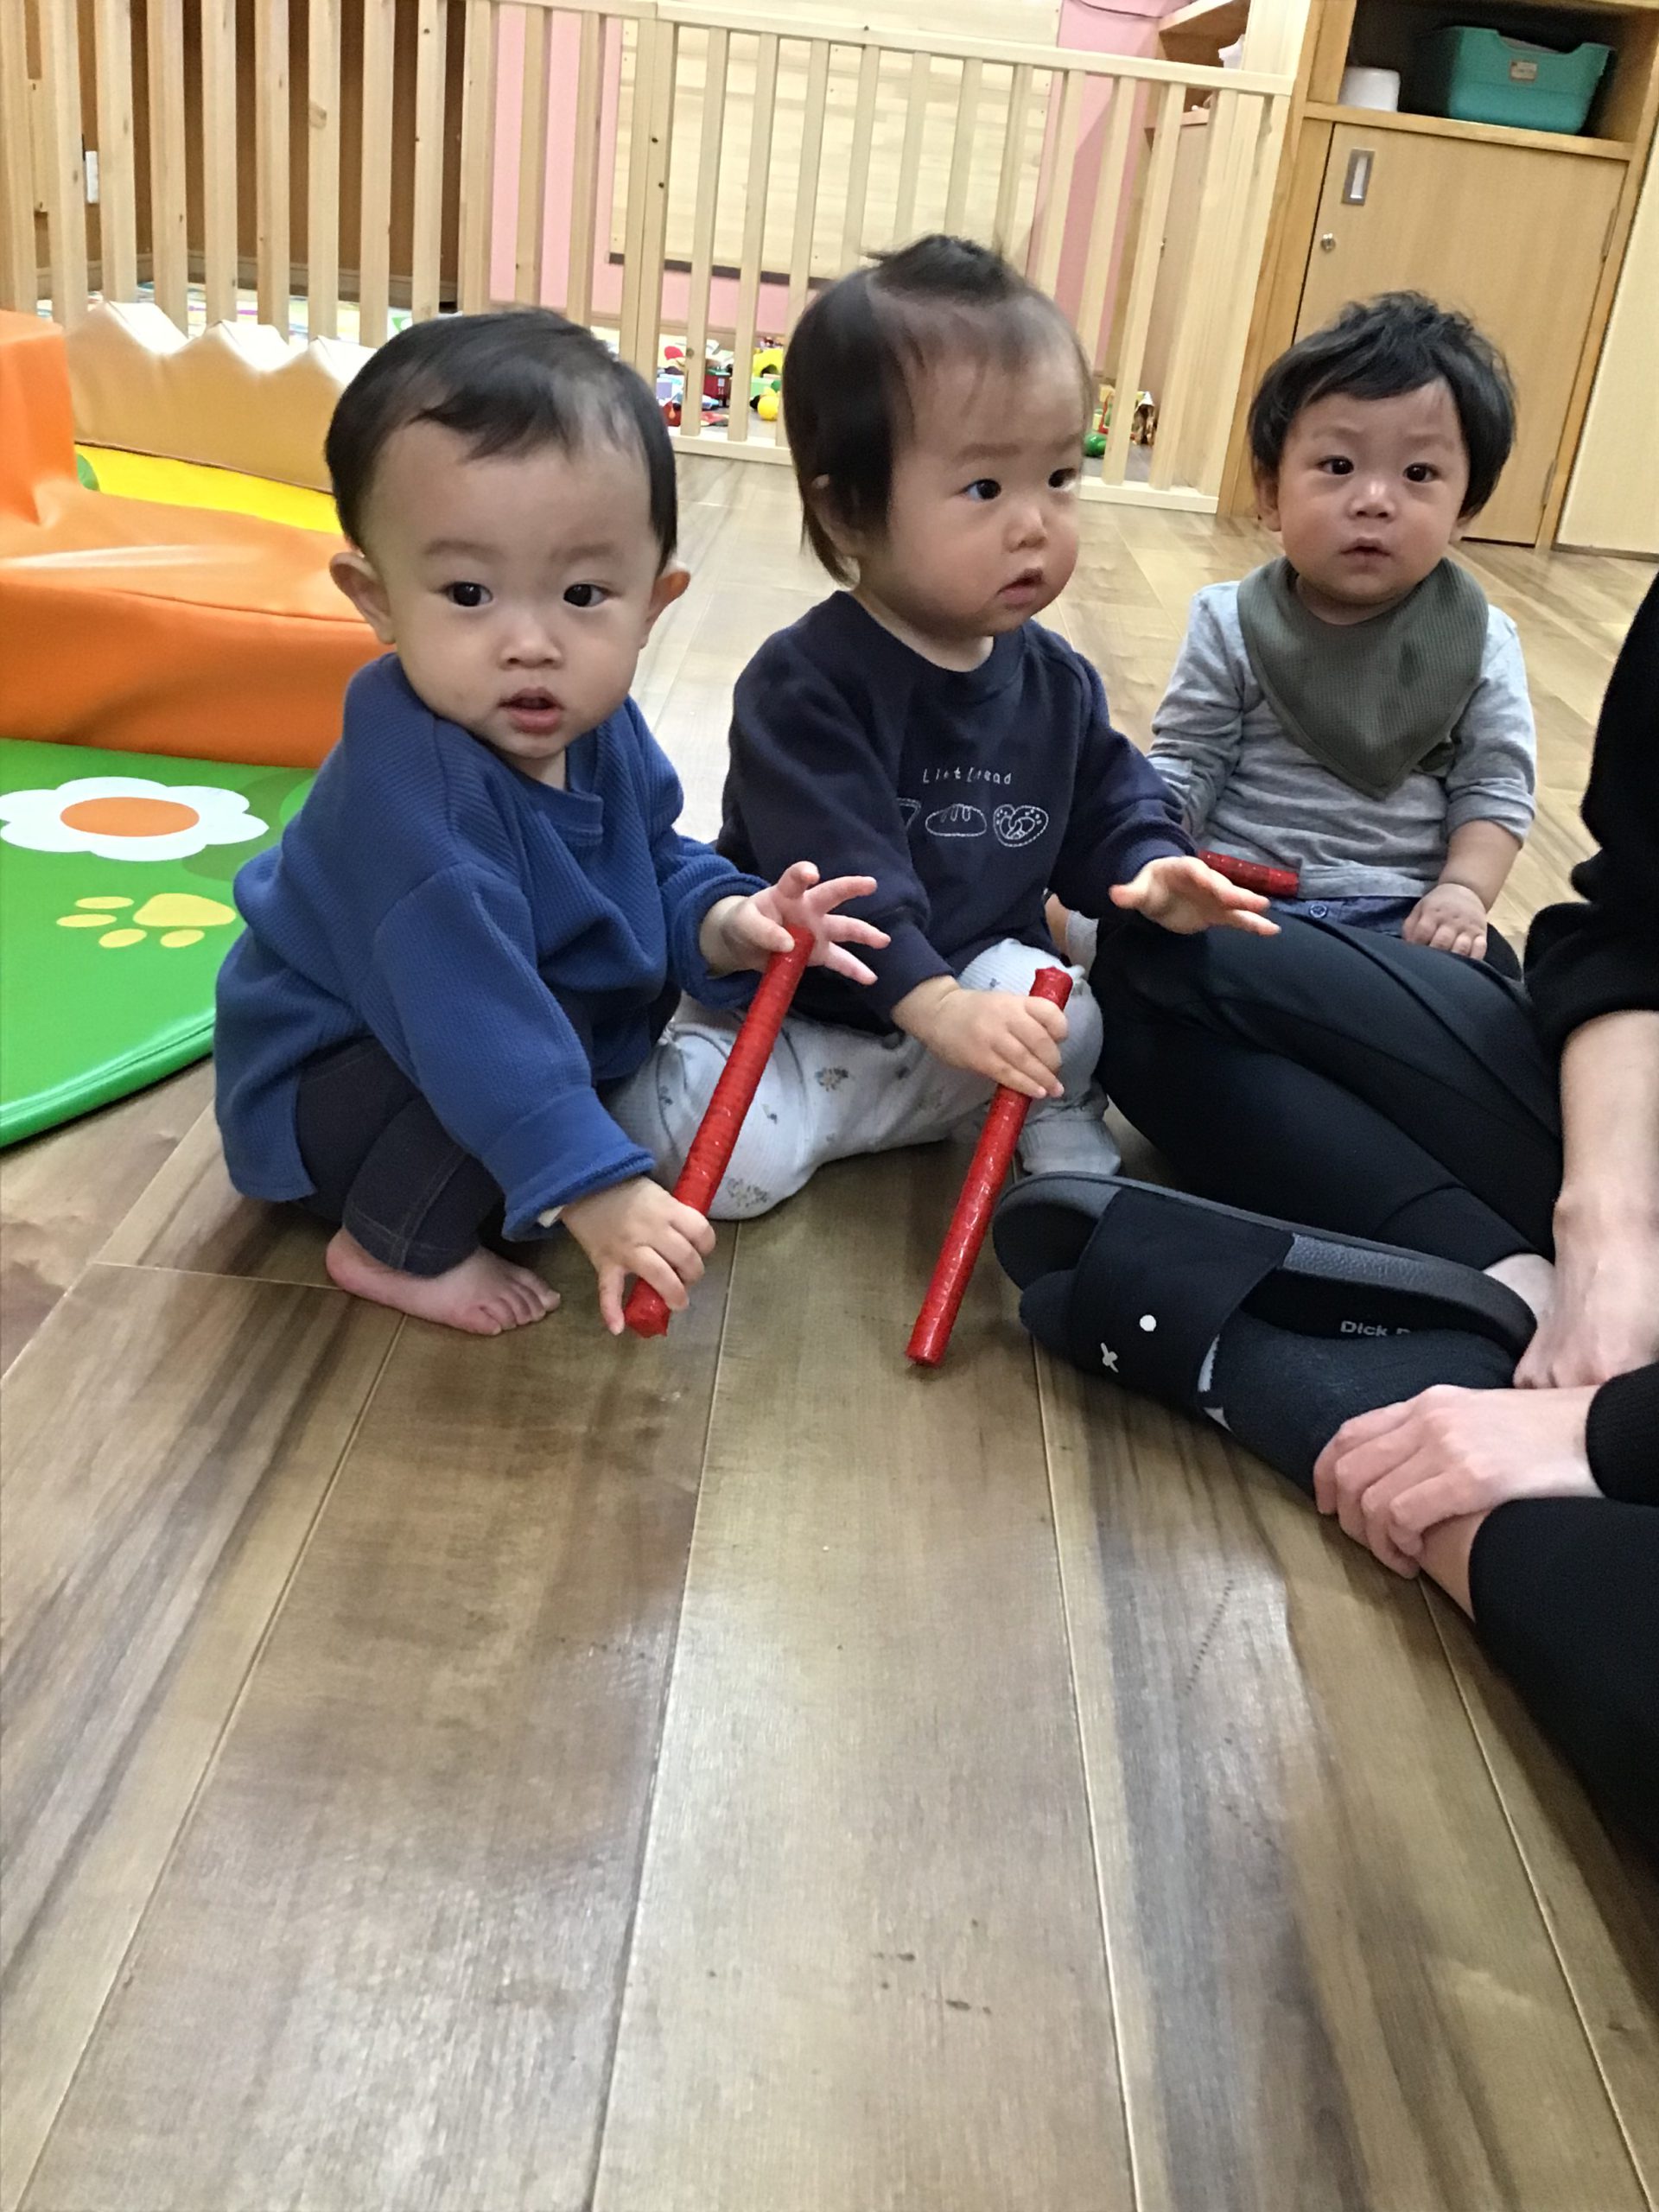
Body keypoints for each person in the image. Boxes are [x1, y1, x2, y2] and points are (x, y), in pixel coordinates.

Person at [1090, 575, 1659, 1850]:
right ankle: (1493, 1303)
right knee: (1158, 968)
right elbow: (1633, 923)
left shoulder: (1473, 640)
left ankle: (1385, 1410)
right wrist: (1605, 1231)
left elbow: (1499, 800)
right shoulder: (1235, 623)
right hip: (1624, 1123)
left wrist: (1611, 1437)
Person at [214, 310, 886, 1338]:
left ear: (653, 602)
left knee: (567, 1014)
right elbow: (469, 1014)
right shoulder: (414, 799)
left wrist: (728, 922)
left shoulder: (594, 727)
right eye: (468, 592)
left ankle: (521, 1153)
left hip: (470, 1037)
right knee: (539, 1025)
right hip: (330, 1087)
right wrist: (597, 1190)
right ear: (376, 597)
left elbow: (651, 857)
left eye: (581, 593)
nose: (530, 642)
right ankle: (389, 1240)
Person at [606, 235, 1274, 1221]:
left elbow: (1108, 795)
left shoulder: (1056, 680)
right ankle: (850, 1106)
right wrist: (937, 1007)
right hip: (815, 1023)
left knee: (1067, 1003)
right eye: (985, 489)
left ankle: (1048, 1108)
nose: (1035, 523)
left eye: (1060, 476)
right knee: (717, 1158)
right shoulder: (805, 685)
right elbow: (850, 878)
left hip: (972, 1016)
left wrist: (1151, 864)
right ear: (849, 515)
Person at [1144, 294, 1536, 968]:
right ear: (1271, 493)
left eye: (1419, 474)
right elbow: (1189, 761)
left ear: (1464, 509)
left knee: (1496, 986)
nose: (1374, 501)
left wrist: (1463, 892)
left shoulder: (1481, 641)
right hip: (1235, 894)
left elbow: (1494, 786)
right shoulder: (1230, 621)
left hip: (1396, 913)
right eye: (1338, 467)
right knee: (1127, 931)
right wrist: (1150, 853)